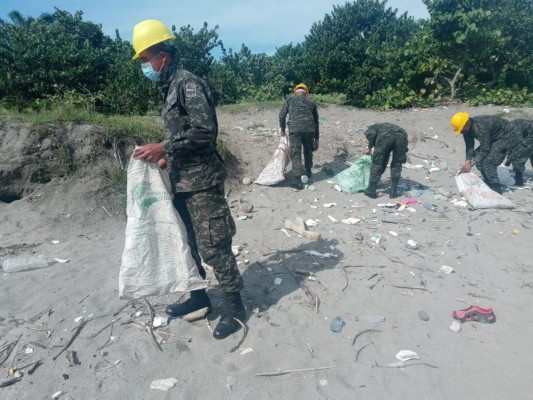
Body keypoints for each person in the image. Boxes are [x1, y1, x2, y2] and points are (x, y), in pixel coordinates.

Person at [130, 20, 244, 340]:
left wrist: (163, 146)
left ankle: (235, 307)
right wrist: (167, 158)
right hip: (181, 180)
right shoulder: (169, 88)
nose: (144, 66)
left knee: (213, 245)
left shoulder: (187, 83)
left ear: (162, 56)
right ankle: (199, 296)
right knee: (187, 244)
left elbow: (204, 130)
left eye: (145, 59)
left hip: (203, 182)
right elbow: (184, 136)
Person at [450, 112, 511, 193]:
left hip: (506, 137)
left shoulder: (480, 127)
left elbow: (485, 149)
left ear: (467, 123)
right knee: (477, 156)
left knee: (488, 162)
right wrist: (467, 162)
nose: (461, 131)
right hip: (492, 137)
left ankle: (495, 187)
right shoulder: (466, 129)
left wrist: (471, 165)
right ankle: (487, 180)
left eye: (462, 129)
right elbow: (469, 147)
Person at [279, 83, 319, 189]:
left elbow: (281, 115)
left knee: (295, 152)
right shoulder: (312, 103)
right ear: (306, 94)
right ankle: (308, 172)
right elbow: (316, 122)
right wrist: (317, 139)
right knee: (308, 151)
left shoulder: (290, 100)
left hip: (295, 130)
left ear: (295, 93)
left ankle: (297, 180)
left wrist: (282, 129)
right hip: (310, 130)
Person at [362, 123, 408, 199]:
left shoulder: (372, 128)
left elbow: (371, 134)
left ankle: (371, 190)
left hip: (385, 137)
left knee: (377, 162)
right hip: (401, 136)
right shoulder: (385, 126)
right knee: (397, 163)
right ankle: (393, 191)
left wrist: (370, 147)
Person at [504, 118, 533, 186]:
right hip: (528, 136)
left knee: (518, 157)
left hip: (530, 138)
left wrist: (509, 159)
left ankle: (519, 180)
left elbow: (514, 146)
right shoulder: (514, 124)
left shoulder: (510, 129)